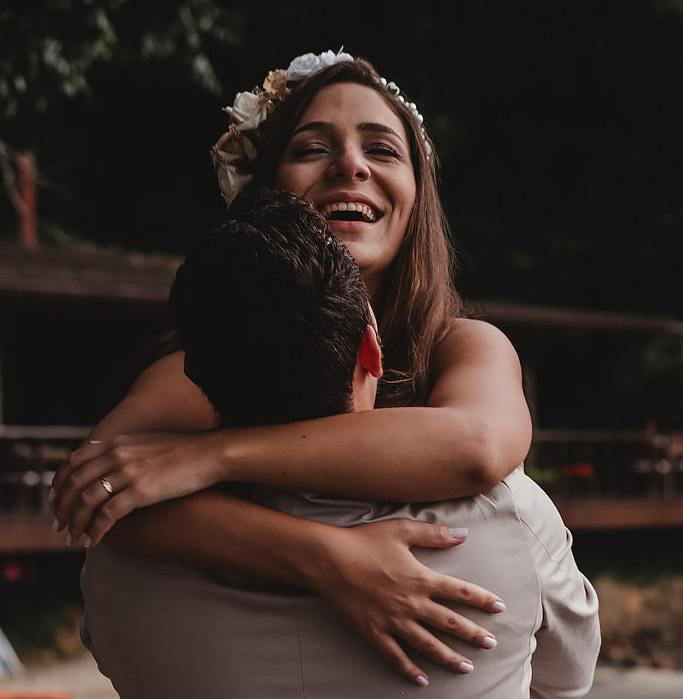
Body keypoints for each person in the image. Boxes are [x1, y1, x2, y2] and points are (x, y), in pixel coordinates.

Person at [52, 50, 540, 685]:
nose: (351, 165)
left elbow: (476, 444)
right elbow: (100, 485)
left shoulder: (463, 346)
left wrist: (212, 456)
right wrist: (327, 558)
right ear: (265, 191)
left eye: (383, 150)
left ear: (418, 198)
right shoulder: (206, 361)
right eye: (313, 147)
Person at [82, 187, 599, 698]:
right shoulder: (508, 515)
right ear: (373, 350)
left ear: (192, 371)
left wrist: (210, 455)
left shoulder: (121, 559)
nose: (351, 168)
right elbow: (566, 680)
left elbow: (90, 485)